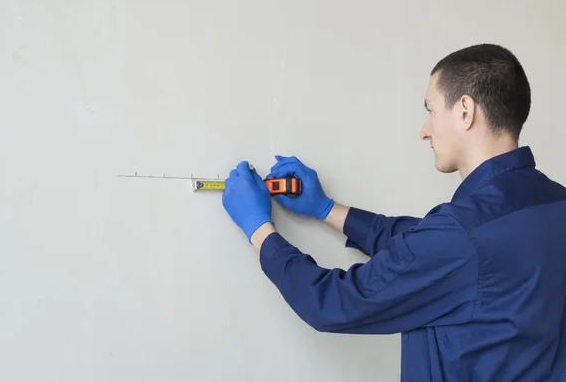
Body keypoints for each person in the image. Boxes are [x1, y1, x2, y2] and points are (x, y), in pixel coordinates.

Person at [221, 43, 566, 381]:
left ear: (465, 111)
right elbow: (422, 244)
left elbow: (332, 302)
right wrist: (327, 209)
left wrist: (259, 228)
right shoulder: (552, 203)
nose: (424, 130)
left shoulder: (461, 235)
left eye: (430, 110)